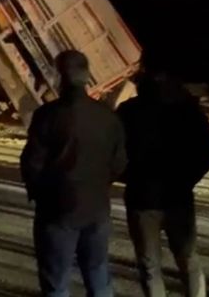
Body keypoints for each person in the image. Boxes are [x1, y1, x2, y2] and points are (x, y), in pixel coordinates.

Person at [20, 50, 126, 297]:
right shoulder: (107, 117)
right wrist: (100, 184)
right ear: (87, 76)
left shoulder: (47, 115)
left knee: (56, 281)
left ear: (59, 78)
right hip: (97, 206)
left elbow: (32, 164)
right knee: (98, 275)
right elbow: (119, 161)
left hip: (57, 210)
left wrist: (40, 194)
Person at [117, 61, 209, 297]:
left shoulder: (128, 112)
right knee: (188, 258)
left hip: (142, 198)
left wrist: (126, 176)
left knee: (150, 265)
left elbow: (113, 151)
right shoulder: (187, 112)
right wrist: (188, 179)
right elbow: (207, 154)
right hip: (178, 196)